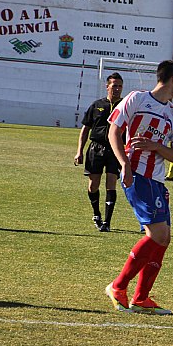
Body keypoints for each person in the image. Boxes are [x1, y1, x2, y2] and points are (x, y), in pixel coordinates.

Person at [105, 60, 173, 315]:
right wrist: (124, 165)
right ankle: (118, 286)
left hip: (157, 181)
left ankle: (141, 298)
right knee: (157, 235)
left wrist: (156, 147)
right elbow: (114, 132)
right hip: (137, 175)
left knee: (164, 239)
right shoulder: (137, 99)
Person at [74, 72, 124, 232]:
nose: (117, 89)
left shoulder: (125, 106)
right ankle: (96, 214)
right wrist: (79, 151)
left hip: (114, 149)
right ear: (107, 86)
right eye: (114, 85)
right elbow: (85, 129)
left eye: (120, 86)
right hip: (95, 148)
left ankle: (107, 223)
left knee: (111, 183)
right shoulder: (96, 105)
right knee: (93, 184)